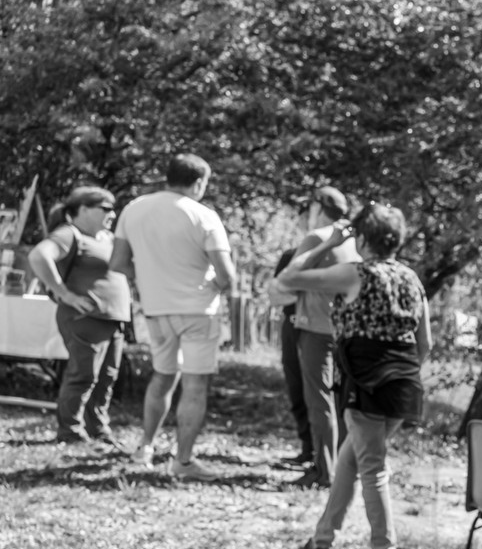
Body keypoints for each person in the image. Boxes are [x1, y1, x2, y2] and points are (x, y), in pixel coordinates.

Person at [279, 204, 431, 549]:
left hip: (365, 385)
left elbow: (289, 278)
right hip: (403, 386)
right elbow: (425, 343)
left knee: (372, 468)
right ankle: (319, 544)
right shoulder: (411, 278)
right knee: (350, 462)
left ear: (362, 238)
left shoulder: (353, 274)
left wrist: (326, 243)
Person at [110, 153, 238, 481]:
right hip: (197, 310)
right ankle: (182, 461)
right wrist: (210, 284)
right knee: (194, 384)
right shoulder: (203, 215)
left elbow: (119, 263)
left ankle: (145, 447)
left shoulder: (134, 208)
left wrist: (150, 278)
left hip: (156, 308)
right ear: (198, 183)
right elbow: (226, 276)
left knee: (162, 375)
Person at [27, 186, 132, 447]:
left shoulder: (107, 238)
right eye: (105, 208)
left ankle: (97, 428)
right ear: (83, 209)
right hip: (86, 319)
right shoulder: (70, 234)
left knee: (106, 378)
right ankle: (70, 431)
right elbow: (39, 256)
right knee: (83, 375)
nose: (112, 213)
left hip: (112, 320)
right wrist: (64, 293)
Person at [272, 186, 358, 488]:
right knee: (337, 401)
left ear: (317, 208)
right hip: (343, 332)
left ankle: (323, 471)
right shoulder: (352, 241)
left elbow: (285, 283)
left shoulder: (317, 238)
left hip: (314, 330)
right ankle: (337, 466)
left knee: (319, 401)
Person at [268, 245, 313, 467]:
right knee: (297, 388)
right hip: (294, 327)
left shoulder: (344, 255)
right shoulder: (291, 256)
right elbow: (276, 294)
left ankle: (327, 454)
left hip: (325, 329)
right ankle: (308, 447)